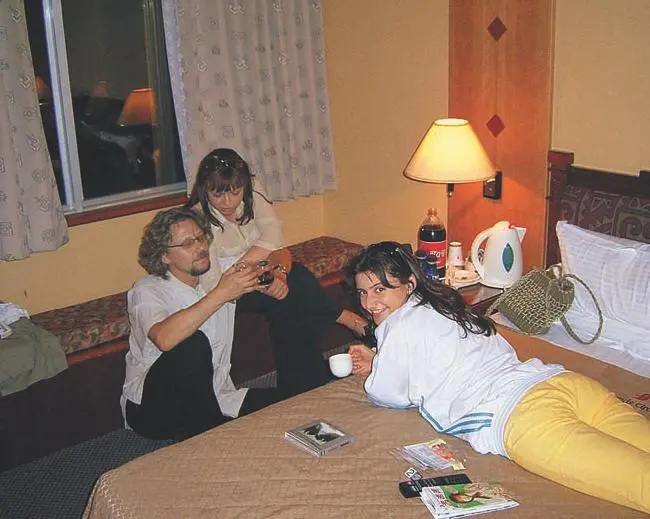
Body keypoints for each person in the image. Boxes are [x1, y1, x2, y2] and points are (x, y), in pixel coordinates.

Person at [347, 241, 650, 513]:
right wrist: (380, 358)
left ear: (409, 284)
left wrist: (377, 367)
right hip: (562, 383)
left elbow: (386, 392)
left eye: (380, 289)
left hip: (524, 418)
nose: (369, 303)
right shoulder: (446, 304)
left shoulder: (397, 325)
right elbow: (434, 353)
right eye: (363, 292)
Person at [121, 207, 328, 441]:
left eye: (201, 237)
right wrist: (222, 293)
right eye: (187, 244)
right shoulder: (147, 290)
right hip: (154, 408)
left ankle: (314, 390)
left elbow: (277, 252)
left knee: (291, 409)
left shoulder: (217, 271)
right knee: (191, 343)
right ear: (163, 256)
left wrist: (278, 274)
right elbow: (164, 339)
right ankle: (213, 438)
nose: (200, 247)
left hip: (219, 396)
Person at [185, 148, 367, 384]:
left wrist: (275, 275)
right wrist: (260, 275)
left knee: (287, 299)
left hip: (261, 275)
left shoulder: (253, 192)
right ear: (204, 189)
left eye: (235, 192)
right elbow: (214, 285)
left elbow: (276, 241)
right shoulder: (197, 220)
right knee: (294, 282)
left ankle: (305, 384)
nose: (227, 202)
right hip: (227, 293)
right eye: (217, 194)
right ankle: (342, 319)